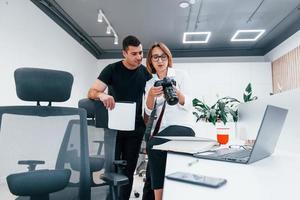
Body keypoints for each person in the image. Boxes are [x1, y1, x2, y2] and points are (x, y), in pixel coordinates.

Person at [88, 35, 152, 200]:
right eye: (134, 54)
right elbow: (91, 92)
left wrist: (146, 120)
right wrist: (102, 95)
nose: (139, 57)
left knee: (129, 170)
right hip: (113, 129)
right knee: (112, 169)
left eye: (140, 53)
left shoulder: (144, 72)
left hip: (135, 128)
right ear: (124, 53)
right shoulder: (112, 69)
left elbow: (152, 98)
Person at [144, 42, 195, 200]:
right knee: (150, 179)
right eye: (155, 57)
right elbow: (147, 111)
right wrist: (151, 96)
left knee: (152, 145)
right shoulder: (149, 84)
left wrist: (177, 93)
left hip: (182, 128)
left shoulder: (180, 75)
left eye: (163, 56)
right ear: (151, 61)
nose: (160, 60)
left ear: (168, 58)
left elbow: (191, 104)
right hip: (161, 132)